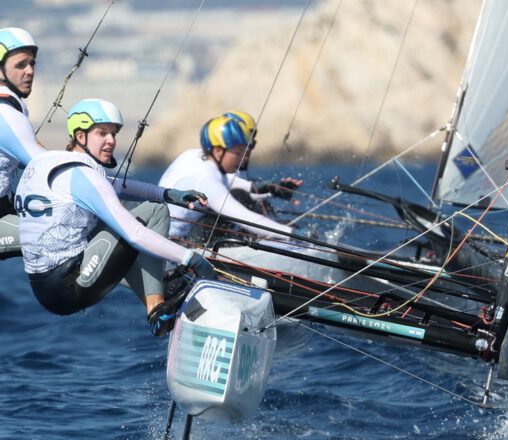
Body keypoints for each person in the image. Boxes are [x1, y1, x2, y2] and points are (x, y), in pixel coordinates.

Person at [16, 98, 213, 337]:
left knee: (112, 221)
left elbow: (120, 186)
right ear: (80, 137)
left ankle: (163, 301)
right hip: (72, 284)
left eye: (114, 133)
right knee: (153, 212)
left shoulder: (51, 163)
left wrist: (169, 194)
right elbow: (135, 233)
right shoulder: (84, 175)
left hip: (45, 290)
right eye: (102, 133)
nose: (111, 141)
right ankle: (157, 309)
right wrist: (190, 259)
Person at [158, 110, 301, 241]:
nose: (244, 158)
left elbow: (234, 186)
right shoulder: (205, 180)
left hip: (182, 236)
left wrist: (272, 191)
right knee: (239, 197)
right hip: (171, 245)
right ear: (219, 151)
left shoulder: (205, 164)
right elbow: (243, 217)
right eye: (238, 153)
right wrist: (291, 233)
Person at [0, 27, 46, 258]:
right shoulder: (4, 113)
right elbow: (47, 164)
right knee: (61, 231)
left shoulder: (12, 106)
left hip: (5, 210)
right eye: (21, 65)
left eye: (32, 64)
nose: (30, 71)